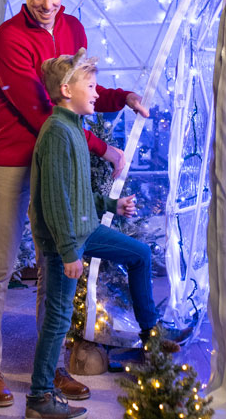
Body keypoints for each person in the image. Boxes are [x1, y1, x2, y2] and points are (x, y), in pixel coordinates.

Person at [0, 0, 150, 407]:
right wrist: (103, 148)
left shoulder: (73, 29)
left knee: (54, 261)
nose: (48, 5)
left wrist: (122, 97)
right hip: (14, 158)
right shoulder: (9, 39)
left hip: (55, 157)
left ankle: (49, 367)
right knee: (0, 263)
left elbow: (79, 88)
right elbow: (42, 111)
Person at [27, 49, 172, 418]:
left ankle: (151, 338)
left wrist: (111, 205)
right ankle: (39, 397)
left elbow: (75, 192)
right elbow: (56, 199)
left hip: (83, 229)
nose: (96, 93)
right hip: (66, 239)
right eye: (90, 86)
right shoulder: (57, 133)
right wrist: (68, 252)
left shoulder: (74, 128)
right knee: (59, 316)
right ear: (66, 90)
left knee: (139, 254)